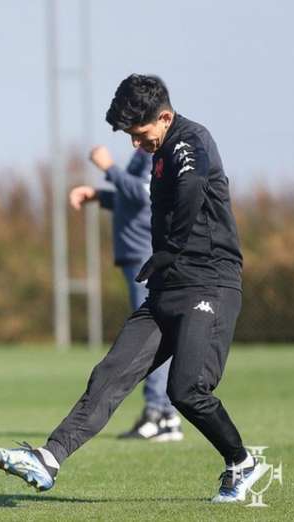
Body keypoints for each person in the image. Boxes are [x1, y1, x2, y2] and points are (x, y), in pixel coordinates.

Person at [0, 74, 264, 503]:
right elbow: (157, 200)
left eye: (140, 133)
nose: (136, 143)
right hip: (167, 289)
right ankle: (48, 458)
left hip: (210, 284)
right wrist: (105, 200)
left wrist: (169, 249)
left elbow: (189, 191)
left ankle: (241, 463)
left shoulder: (190, 141)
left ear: (165, 117)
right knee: (110, 373)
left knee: (187, 390)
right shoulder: (160, 151)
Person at [70, 146, 183, 442]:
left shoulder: (157, 153)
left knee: (151, 335)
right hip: (135, 255)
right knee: (156, 332)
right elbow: (129, 199)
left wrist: (108, 167)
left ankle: (158, 413)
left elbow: (144, 194)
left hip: (146, 256)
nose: (131, 138)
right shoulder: (143, 153)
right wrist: (99, 196)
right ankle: (166, 415)